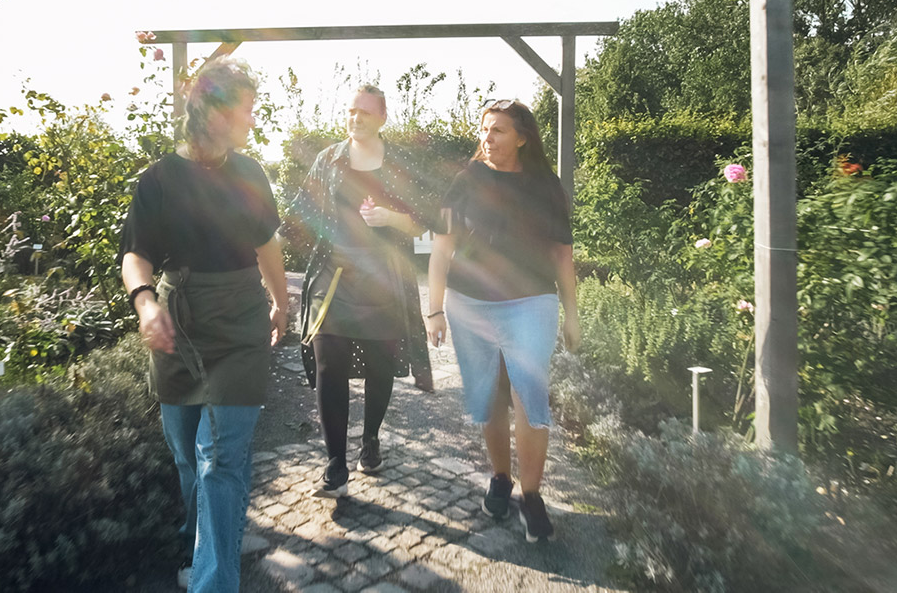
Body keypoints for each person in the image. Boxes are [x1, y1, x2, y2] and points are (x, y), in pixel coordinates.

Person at [120, 57, 289, 592]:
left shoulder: (251, 172)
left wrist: (280, 303)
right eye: (246, 110)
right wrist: (146, 304)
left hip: (240, 320)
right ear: (213, 111)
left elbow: (267, 244)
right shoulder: (160, 178)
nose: (253, 121)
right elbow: (134, 255)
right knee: (188, 458)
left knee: (220, 458)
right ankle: (201, 546)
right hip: (178, 320)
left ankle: (213, 582)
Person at [426, 98, 580, 542]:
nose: (487, 138)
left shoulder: (545, 186)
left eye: (497, 131)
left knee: (528, 390)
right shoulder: (465, 181)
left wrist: (572, 315)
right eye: (484, 129)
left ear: (522, 137)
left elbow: (561, 253)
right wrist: (434, 309)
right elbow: (442, 248)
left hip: (531, 300)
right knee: (491, 394)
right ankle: (500, 477)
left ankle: (532, 497)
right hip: (470, 304)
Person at [285, 84, 433, 498]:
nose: (356, 119)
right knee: (328, 359)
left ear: (383, 117)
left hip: (383, 277)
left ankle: (370, 438)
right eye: (351, 111)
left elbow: (424, 225)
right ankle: (335, 463)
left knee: (379, 364)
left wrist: (391, 218)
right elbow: (303, 209)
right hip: (334, 273)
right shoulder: (327, 159)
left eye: (365, 113)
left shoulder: (401, 164)